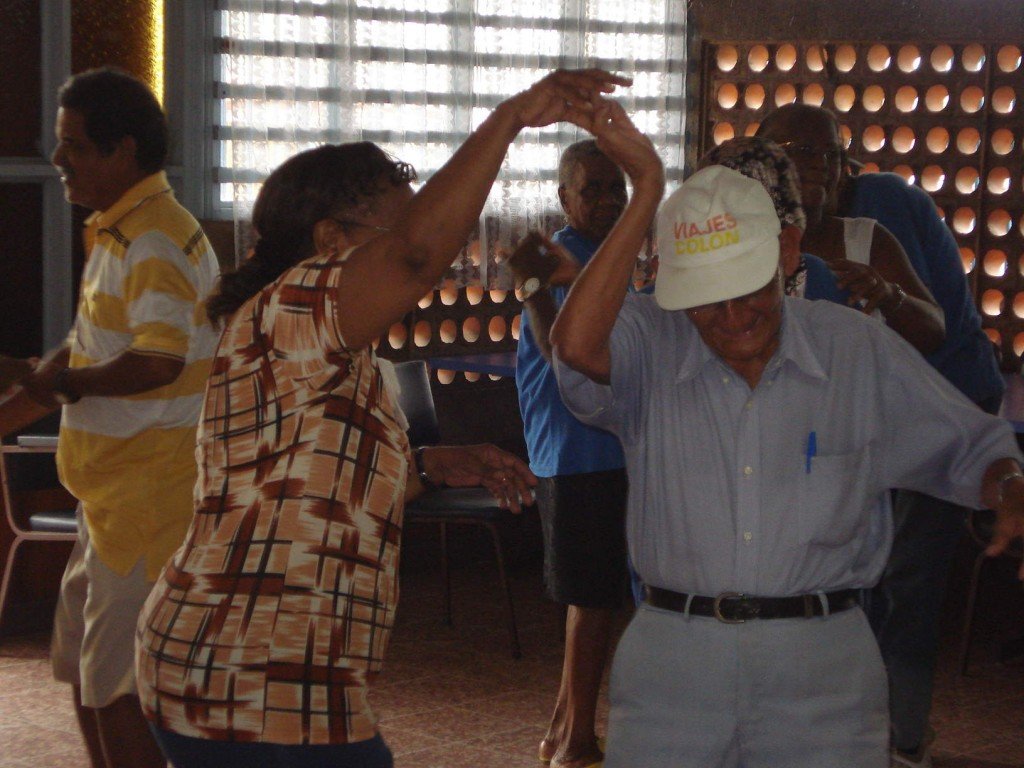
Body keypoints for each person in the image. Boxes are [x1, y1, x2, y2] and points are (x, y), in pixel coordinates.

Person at [133, 69, 626, 768]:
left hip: (271, 671)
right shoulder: (291, 307)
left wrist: (425, 465)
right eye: (398, 226)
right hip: (250, 672)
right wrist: (511, 117)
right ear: (330, 238)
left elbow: (308, 482)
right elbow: (416, 257)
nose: (432, 253)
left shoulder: (332, 346)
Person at [547, 99, 1024, 768]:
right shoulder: (652, 338)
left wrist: (1007, 483)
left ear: (788, 251)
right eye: (707, 299)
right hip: (675, 666)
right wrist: (648, 191)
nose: (734, 316)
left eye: (749, 287)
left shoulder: (854, 351)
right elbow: (573, 346)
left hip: (822, 668)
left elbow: (970, 445)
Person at [0, 67, 221, 768]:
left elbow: (156, 362)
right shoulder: (118, 232)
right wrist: (40, 391)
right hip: (110, 502)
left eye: (74, 146)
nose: (58, 159)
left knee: (122, 686)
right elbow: (84, 355)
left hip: (149, 506)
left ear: (123, 151)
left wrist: (64, 382)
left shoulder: (156, 239)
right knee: (82, 669)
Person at [836, 117, 1005, 768]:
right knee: (866, 571)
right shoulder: (805, 226)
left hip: (948, 400)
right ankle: (866, 729)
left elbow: (913, 329)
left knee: (906, 577)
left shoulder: (881, 209)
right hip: (884, 411)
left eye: (819, 160)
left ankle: (902, 742)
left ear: (843, 164)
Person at [509, 140, 630, 768]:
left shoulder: (615, 256)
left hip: (609, 445)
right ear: (565, 199)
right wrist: (542, 284)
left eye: (619, 190)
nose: (609, 202)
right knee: (593, 598)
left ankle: (563, 726)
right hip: (576, 449)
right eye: (594, 191)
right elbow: (556, 344)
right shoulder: (551, 256)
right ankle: (576, 741)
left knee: (600, 596)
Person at [756, 105, 945, 355]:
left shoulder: (867, 240)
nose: (821, 163)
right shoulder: (738, 237)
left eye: (832, 154)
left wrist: (887, 295)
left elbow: (934, 331)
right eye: (804, 150)